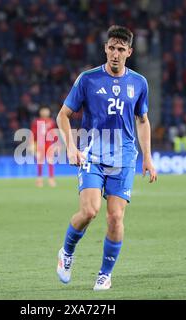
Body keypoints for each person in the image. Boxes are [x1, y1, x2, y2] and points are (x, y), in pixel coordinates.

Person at [55, 25, 157, 290]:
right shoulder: (87, 79)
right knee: (89, 211)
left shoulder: (139, 82)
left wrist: (147, 156)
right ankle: (66, 252)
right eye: (111, 47)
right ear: (105, 48)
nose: (115, 53)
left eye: (121, 49)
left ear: (129, 52)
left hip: (123, 157)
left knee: (115, 218)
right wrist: (70, 146)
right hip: (93, 154)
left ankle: (104, 274)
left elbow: (143, 121)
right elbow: (62, 115)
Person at [30, 106, 58, 187]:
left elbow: (54, 134)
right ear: (40, 112)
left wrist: (57, 144)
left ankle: (51, 179)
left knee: (50, 162)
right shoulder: (36, 122)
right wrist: (32, 144)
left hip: (49, 144)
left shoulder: (51, 122)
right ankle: (39, 179)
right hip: (40, 144)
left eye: (46, 111)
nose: (45, 112)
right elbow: (33, 134)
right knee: (39, 163)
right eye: (43, 111)